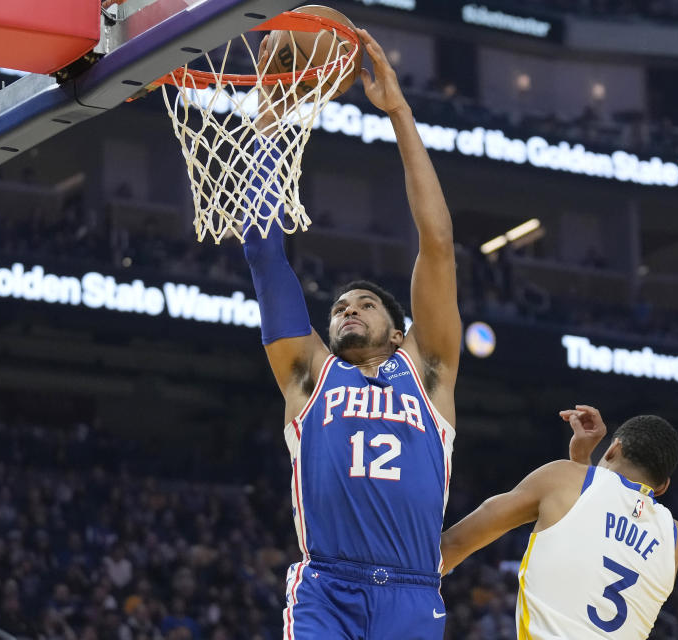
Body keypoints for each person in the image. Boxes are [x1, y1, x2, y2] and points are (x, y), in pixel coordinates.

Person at [243, 28, 461, 639]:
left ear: (400, 333)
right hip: (326, 588)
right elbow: (264, 252)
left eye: (365, 304)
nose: (347, 310)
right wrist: (268, 117)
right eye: (339, 306)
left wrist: (399, 114)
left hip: (414, 593)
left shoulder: (429, 370)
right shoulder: (310, 372)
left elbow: (438, 244)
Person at [441, 406, 678, 639]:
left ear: (612, 450)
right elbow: (599, 555)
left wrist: (576, 466)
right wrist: (579, 463)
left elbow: (454, 544)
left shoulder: (563, 479)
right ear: (663, 486)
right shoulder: (676, 538)